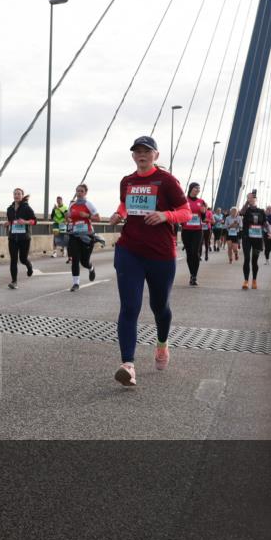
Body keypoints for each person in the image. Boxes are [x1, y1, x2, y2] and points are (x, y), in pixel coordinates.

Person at [107, 135, 191, 386]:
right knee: (129, 307)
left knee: (159, 307)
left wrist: (166, 215)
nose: (141, 155)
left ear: (156, 155)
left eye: (147, 151)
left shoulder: (167, 181)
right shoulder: (127, 181)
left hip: (161, 254)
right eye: (137, 151)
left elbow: (186, 211)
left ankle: (162, 345)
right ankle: (128, 365)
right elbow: (125, 203)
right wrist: (118, 213)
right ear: (133, 156)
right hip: (129, 250)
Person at [67, 183, 100, 291]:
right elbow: (68, 218)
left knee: (84, 261)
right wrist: (67, 219)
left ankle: (91, 268)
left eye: (81, 191)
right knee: (75, 259)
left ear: (85, 193)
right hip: (75, 235)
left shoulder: (88, 204)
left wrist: (87, 216)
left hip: (87, 236)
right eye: (78, 191)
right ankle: (76, 283)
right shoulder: (72, 205)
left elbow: (98, 218)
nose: (79, 193)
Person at [6, 188, 37, 289]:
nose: (16, 195)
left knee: (23, 259)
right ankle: (14, 282)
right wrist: (8, 223)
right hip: (13, 238)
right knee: (13, 260)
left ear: (22, 196)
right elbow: (12, 221)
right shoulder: (9, 209)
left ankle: (29, 266)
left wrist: (26, 222)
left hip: (24, 238)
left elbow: (34, 221)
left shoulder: (26, 208)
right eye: (15, 194)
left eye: (19, 194)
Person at [181, 182, 208, 286]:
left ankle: (194, 276)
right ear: (191, 188)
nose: (197, 190)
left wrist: (203, 212)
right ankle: (192, 273)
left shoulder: (201, 202)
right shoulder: (184, 200)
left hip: (197, 230)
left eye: (199, 189)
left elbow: (204, 217)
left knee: (195, 253)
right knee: (189, 254)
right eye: (196, 188)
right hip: (186, 230)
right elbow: (179, 212)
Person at [239, 191, 266, 290]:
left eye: (252, 198)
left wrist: (270, 232)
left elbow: (265, 223)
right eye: (249, 198)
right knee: (246, 258)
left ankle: (254, 280)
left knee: (254, 261)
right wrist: (247, 202)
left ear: (256, 199)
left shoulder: (261, 211)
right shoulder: (246, 210)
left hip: (257, 239)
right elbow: (240, 213)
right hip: (247, 237)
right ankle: (246, 281)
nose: (251, 199)